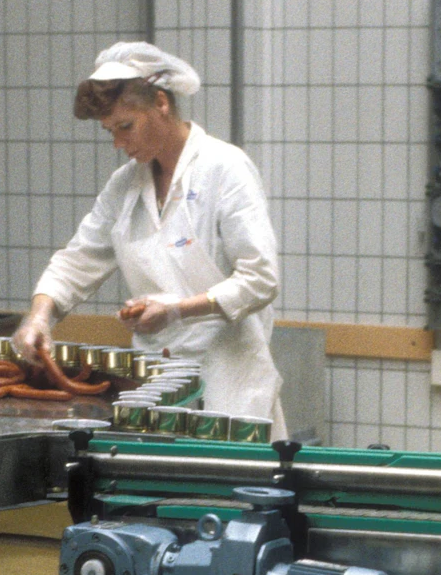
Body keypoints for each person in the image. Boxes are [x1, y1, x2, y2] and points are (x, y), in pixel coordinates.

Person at [14, 42, 285, 435]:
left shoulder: (224, 168)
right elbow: (79, 257)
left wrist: (177, 310)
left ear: (161, 103)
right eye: (110, 132)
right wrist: (39, 315)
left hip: (229, 384)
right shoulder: (125, 185)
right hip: (157, 384)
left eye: (126, 126)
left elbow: (261, 279)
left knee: (221, 495)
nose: (119, 144)